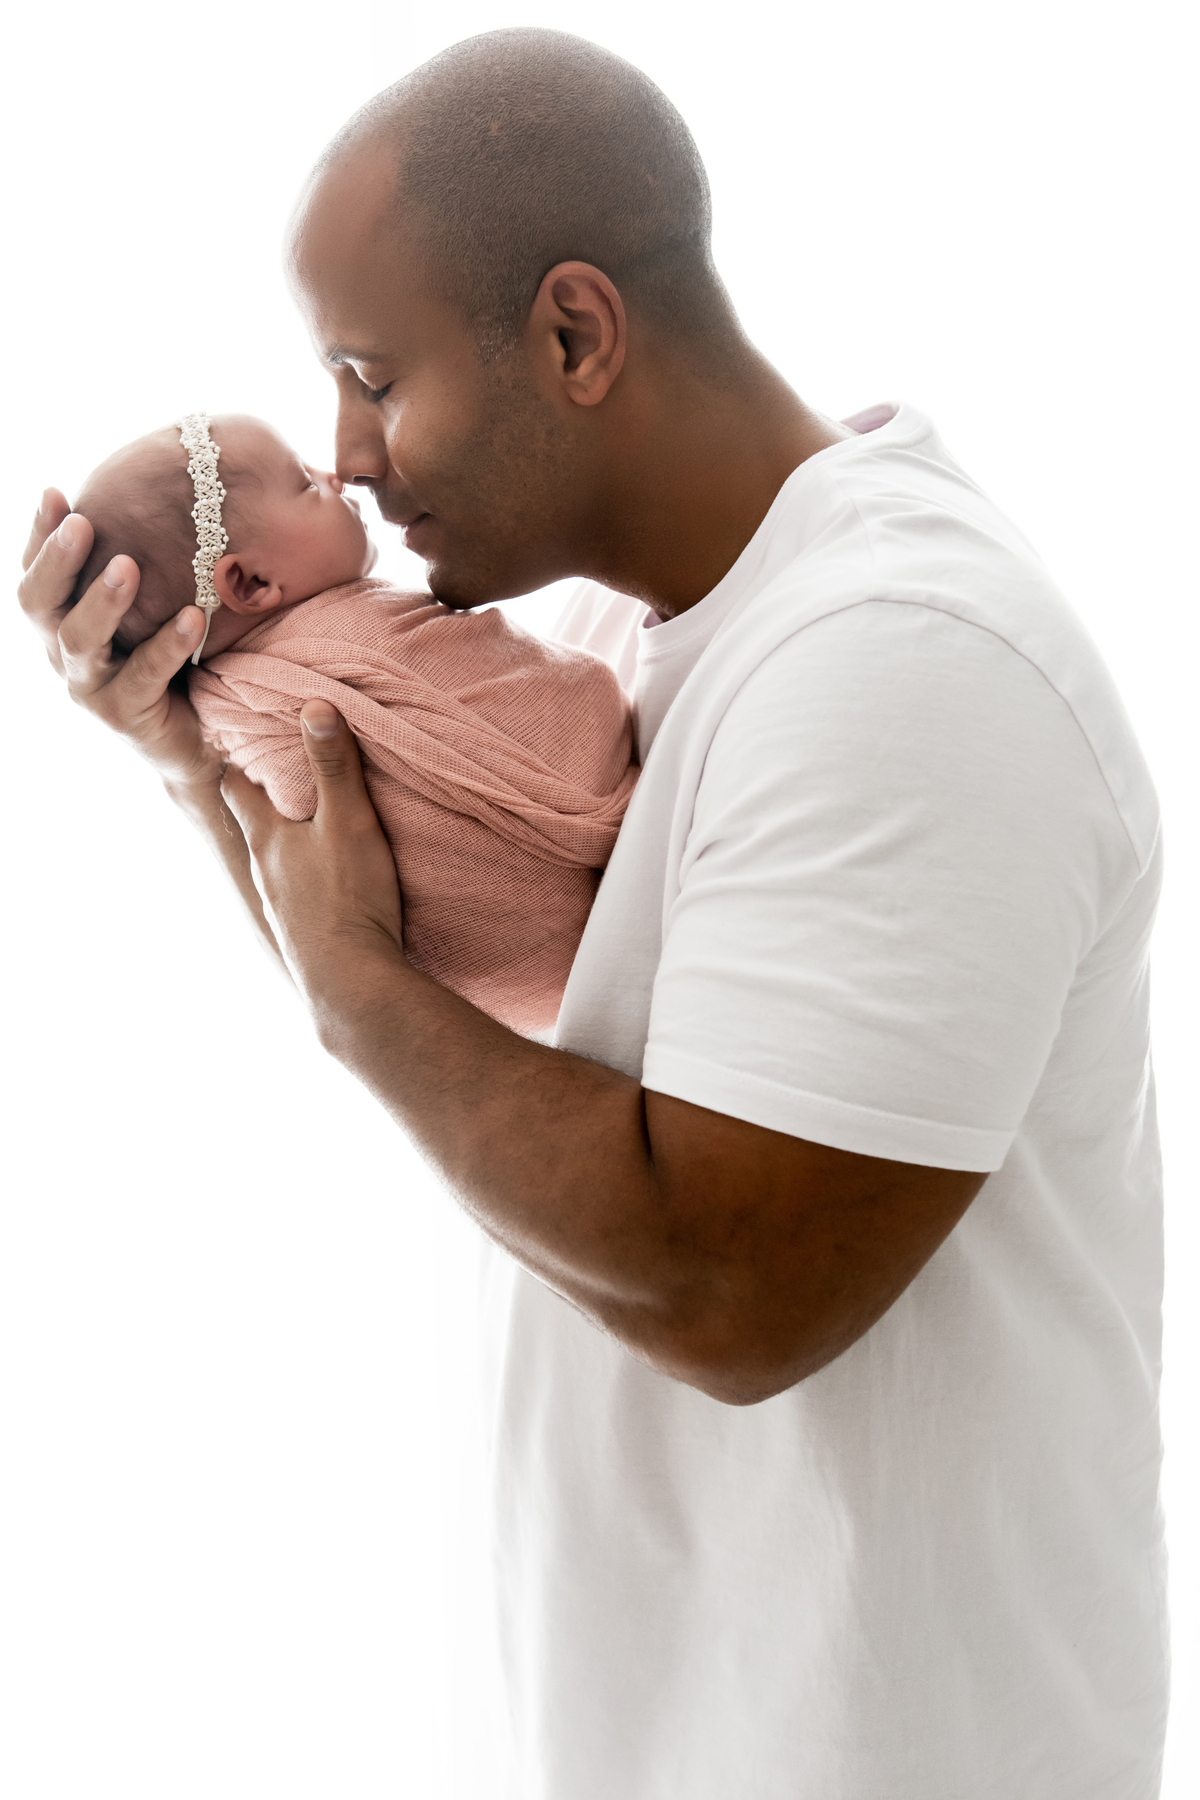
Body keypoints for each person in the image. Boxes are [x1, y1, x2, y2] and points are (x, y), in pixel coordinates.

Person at [20, 25, 1167, 1800]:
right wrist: (192, 762)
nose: (352, 457)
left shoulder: (907, 668)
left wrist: (350, 995)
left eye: (372, 378)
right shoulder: (603, 643)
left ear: (572, 334)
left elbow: (728, 1289)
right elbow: (429, 982)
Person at [71, 410, 636, 1033]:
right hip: (573, 901)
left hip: (506, 990)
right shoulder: (350, 632)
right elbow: (562, 701)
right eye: (305, 483)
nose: (335, 475)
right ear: (252, 583)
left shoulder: (223, 715)